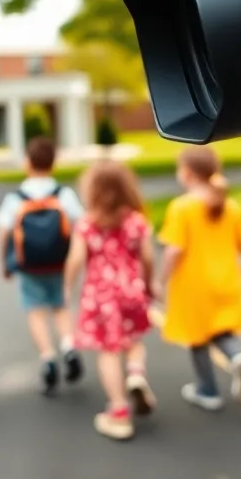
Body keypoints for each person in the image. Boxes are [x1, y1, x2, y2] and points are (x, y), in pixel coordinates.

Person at [154, 146, 241, 411]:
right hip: (228, 281)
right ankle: (237, 356)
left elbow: (174, 250)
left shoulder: (181, 207)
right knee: (221, 330)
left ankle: (207, 391)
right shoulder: (230, 206)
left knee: (197, 338)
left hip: (194, 285)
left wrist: (160, 280)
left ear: (187, 173)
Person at [65, 160, 155, 440]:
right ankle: (136, 374)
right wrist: (150, 284)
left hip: (100, 297)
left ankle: (118, 413)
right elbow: (148, 258)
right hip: (131, 292)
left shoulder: (87, 225)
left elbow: (77, 259)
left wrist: (68, 285)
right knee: (133, 341)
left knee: (108, 351)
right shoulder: (136, 221)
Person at [0, 136, 86, 394]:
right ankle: (69, 345)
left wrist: (6, 261)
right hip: (60, 262)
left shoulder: (16, 197)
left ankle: (48, 358)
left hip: (29, 266)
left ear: (27, 163)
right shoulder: (64, 194)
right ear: (53, 163)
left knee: (36, 311)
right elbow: (80, 226)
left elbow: (5, 232)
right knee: (61, 306)